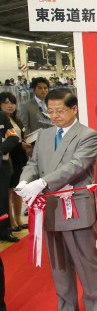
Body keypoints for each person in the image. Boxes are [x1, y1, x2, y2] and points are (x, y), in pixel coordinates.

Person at [16, 88, 97, 311]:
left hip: (74, 205)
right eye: (50, 111)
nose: (54, 116)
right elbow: (33, 163)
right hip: (50, 207)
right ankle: (66, 309)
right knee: (59, 263)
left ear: (74, 109)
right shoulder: (44, 135)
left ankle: (95, 309)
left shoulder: (87, 135)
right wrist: (26, 181)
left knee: (85, 261)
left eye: (59, 111)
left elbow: (76, 166)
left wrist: (43, 183)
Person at [0, 92, 29, 233]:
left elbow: (17, 137)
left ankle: (18, 219)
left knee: (18, 190)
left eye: (12, 102)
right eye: (5, 102)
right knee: (8, 192)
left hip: (20, 157)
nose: (9, 105)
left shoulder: (16, 120)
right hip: (7, 158)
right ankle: (10, 222)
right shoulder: (2, 120)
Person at [18, 77, 51, 151]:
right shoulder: (26, 106)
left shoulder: (52, 104)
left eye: (45, 88)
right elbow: (24, 127)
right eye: (39, 88)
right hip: (36, 144)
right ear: (34, 89)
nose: (43, 90)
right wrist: (27, 145)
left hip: (53, 142)